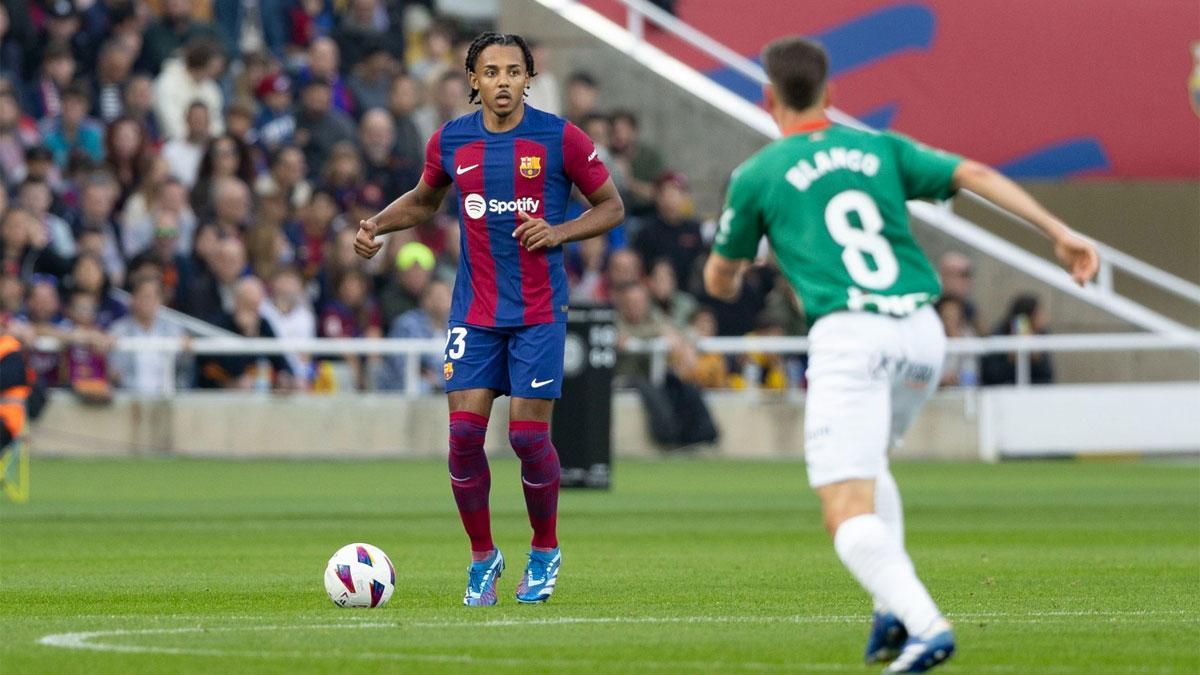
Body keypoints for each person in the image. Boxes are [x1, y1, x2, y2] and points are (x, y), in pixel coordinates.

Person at [702, 37, 1099, 673]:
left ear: (768, 98)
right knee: (870, 462)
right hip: (920, 331)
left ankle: (926, 626)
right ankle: (890, 610)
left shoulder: (759, 175)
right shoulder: (877, 148)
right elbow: (972, 173)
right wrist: (1059, 232)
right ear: (832, 95)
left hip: (852, 335)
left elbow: (721, 279)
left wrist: (735, 270)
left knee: (842, 508)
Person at [354, 32, 623, 606]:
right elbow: (426, 200)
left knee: (527, 438)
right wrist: (376, 223)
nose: (503, 81)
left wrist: (560, 231)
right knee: (463, 438)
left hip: (538, 311)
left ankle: (545, 549)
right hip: (475, 311)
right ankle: (483, 557)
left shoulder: (560, 138)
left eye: (513, 71)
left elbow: (611, 206)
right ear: (472, 80)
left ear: (529, 78)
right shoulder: (451, 140)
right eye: (491, 72)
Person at [980, 293, 1054, 385]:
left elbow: (1047, 377)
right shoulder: (1000, 334)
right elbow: (991, 375)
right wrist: (1011, 359)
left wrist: (1037, 360)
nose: (1042, 318)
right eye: (1037, 314)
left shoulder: (1041, 335)